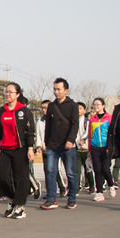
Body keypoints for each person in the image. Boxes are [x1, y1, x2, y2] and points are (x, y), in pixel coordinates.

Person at [0, 82, 35, 219]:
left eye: (11, 92)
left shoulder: (24, 111)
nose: (7, 94)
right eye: (6, 92)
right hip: (5, 149)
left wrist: (30, 148)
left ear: (18, 94)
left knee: (20, 178)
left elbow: (30, 131)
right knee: (2, 175)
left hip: (20, 149)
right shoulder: (2, 111)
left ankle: (20, 207)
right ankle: (11, 201)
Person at [41, 78, 79, 210]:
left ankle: (72, 198)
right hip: (52, 145)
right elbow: (48, 126)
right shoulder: (51, 106)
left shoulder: (73, 105)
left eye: (59, 89)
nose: (56, 92)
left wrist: (71, 140)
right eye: (54, 89)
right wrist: (46, 142)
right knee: (50, 171)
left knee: (70, 173)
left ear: (66, 90)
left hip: (67, 146)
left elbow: (75, 124)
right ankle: (51, 199)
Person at [88, 98, 113, 201]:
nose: (96, 106)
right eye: (94, 105)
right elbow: (90, 135)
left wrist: (111, 147)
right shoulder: (92, 119)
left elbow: (112, 134)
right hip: (95, 147)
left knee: (105, 169)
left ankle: (111, 185)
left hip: (106, 147)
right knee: (97, 170)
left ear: (103, 106)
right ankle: (99, 192)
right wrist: (89, 149)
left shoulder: (109, 118)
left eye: (98, 104)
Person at [75, 102, 95, 194]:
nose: (78, 110)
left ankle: (92, 186)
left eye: (80, 108)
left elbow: (88, 132)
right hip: (77, 149)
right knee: (77, 170)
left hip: (86, 150)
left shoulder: (87, 121)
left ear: (84, 110)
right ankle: (76, 188)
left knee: (88, 169)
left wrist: (83, 139)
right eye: (77, 108)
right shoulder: (73, 121)